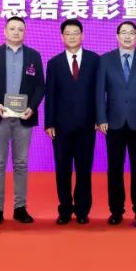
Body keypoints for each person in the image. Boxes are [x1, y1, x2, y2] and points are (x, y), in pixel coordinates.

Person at [0, 16, 45, 225]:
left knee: (21, 164)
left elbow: (40, 87)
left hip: (23, 118)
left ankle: (20, 208)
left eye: (20, 29)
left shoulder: (34, 55)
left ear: (25, 32)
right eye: (12, 29)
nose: (16, 32)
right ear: (5, 31)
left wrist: (31, 107)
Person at [96, 20, 136, 226]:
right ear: (117, 36)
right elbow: (99, 91)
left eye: (132, 32)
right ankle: (116, 210)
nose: (128, 36)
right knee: (114, 168)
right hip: (113, 122)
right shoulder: (105, 60)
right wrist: (101, 118)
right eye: (123, 32)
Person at [44, 19, 99, 225]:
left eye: (76, 33)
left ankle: (83, 210)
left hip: (87, 124)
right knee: (63, 169)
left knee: (84, 169)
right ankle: (65, 209)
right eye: (68, 33)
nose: (72, 36)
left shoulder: (95, 60)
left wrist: (99, 118)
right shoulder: (54, 63)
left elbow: (99, 92)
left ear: (82, 35)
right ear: (62, 37)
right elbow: (50, 95)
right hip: (61, 126)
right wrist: (49, 123)